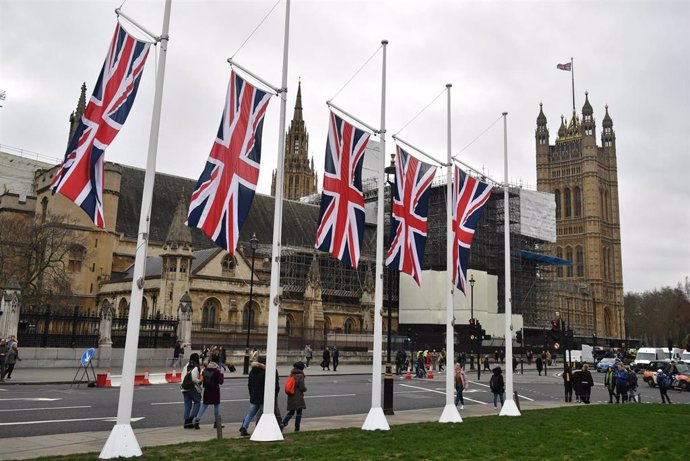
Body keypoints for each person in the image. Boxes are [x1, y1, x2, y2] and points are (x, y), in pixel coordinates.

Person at [240, 356, 273, 436]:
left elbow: (249, 384)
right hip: (262, 396)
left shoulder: (252, 371)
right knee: (261, 414)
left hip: (254, 395)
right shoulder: (265, 373)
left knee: (250, 413)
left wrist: (251, 393)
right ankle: (260, 428)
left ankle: (244, 427)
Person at [193, 353, 224, 429]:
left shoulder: (206, 369)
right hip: (215, 391)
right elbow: (221, 381)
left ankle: (197, 420)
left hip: (207, 390)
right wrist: (222, 374)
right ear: (217, 362)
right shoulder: (217, 371)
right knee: (216, 406)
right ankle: (216, 422)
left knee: (204, 406)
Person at [282, 361, 307, 431]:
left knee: (291, 411)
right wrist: (305, 389)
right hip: (298, 396)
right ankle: (297, 427)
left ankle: (283, 423)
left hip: (291, 395)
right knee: (299, 413)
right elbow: (302, 387)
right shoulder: (300, 376)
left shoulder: (291, 374)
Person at [181, 353, 202, 429]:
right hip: (191, 387)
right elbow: (193, 378)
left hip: (184, 387)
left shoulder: (186, 365)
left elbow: (182, 376)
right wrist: (199, 382)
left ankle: (186, 422)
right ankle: (191, 419)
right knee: (197, 402)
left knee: (187, 405)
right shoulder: (195, 367)